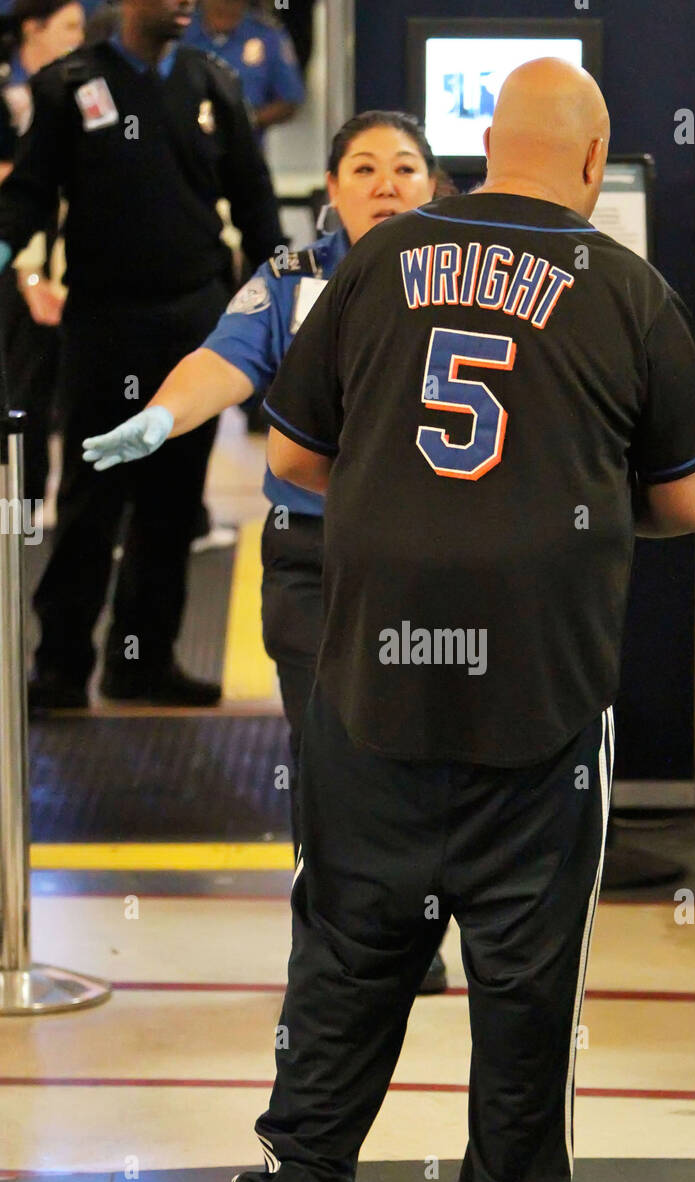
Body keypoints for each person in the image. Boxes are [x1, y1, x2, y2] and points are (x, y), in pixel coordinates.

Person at [204, 57, 695, 1182]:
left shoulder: (380, 260)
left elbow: (293, 451)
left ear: (477, 151)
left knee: (343, 954)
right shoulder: (625, 287)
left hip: (369, 684)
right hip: (538, 707)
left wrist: (401, 504)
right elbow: (691, 501)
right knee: (527, 976)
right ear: (595, 166)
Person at [82, 110, 451, 993]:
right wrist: (162, 417)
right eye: (362, 168)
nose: (386, 184)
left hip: (429, 564)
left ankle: (414, 934)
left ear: (434, 186)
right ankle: (332, 954)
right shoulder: (293, 279)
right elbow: (228, 357)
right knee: (329, 754)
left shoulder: (464, 280)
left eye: (405, 167)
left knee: (423, 753)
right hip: (313, 560)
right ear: (331, 192)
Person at [0, 0, 282, 711]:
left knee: (172, 502)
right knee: (91, 501)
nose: (186, 2)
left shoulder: (213, 81)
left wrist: (287, 296)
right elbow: (28, 195)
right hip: (104, 323)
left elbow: (255, 204)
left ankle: (144, 661)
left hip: (193, 321)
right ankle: (60, 667)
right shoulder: (69, 86)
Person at [0, 0, 84, 503]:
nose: (78, 37)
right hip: (17, 259)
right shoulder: (10, 91)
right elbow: (24, 190)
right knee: (24, 394)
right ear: (34, 28)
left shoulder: (74, 89)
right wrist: (29, 274)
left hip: (66, 263)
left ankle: (56, 514)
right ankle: (22, 516)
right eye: (68, 26)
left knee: (71, 395)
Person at [181, 0, 303, 138]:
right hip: (182, 145)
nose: (224, 6)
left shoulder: (268, 36)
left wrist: (247, 119)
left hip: (244, 148)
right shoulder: (179, 34)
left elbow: (289, 99)